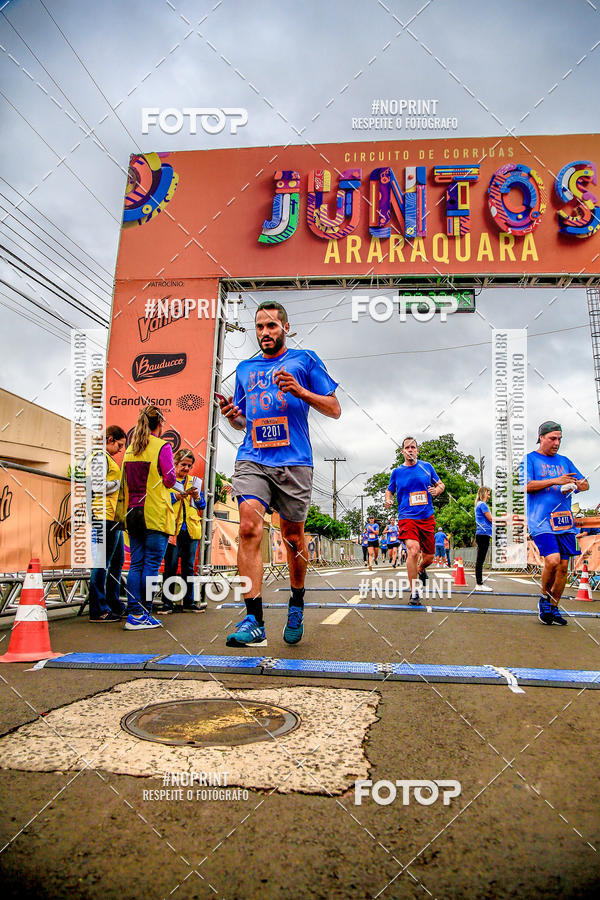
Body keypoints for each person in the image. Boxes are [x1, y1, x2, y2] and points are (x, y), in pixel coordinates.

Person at [219, 300, 340, 647]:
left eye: (271, 326)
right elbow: (245, 421)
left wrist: (301, 391)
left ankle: (297, 602)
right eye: (259, 326)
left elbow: (334, 409)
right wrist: (234, 416)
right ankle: (254, 619)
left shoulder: (305, 360)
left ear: (285, 328)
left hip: (294, 462)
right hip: (253, 458)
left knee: (293, 538)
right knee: (248, 527)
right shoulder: (245, 369)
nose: (265, 332)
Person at [116, 405, 176, 630]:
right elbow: (170, 479)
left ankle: (134, 613)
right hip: (155, 514)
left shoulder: (130, 449)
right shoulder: (162, 446)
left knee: (136, 564)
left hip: (133, 513)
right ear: (159, 424)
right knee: (151, 565)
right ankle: (144, 613)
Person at [526, 421, 589, 625]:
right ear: (541, 438)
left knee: (563, 567)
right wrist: (555, 480)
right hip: (541, 521)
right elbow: (526, 486)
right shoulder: (530, 459)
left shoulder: (565, 461)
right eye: (552, 438)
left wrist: (576, 484)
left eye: (559, 439)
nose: (557, 443)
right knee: (552, 561)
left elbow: (585, 484)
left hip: (564, 522)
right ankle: (544, 598)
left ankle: (554, 607)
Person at [385, 436, 445, 605]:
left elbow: (441, 484)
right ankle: (414, 592)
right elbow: (389, 491)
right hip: (407, 517)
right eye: (407, 447)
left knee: (430, 557)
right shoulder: (397, 472)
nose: (410, 450)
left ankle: (420, 568)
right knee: (413, 550)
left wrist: (437, 490)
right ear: (402, 451)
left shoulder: (427, 467)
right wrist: (388, 499)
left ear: (417, 450)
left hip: (426, 517)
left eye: (413, 447)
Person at [157, 449, 206, 614]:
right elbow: (160, 502)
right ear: (175, 464)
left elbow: (202, 505)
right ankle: (167, 603)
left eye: (189, 466)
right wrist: (176, 497)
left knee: (188, 568)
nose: (186, 468)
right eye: (183, 464)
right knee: (170, 567)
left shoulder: (194, 482)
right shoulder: (167, 481)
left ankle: (188, 602)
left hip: (191, 530)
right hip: (173, 530)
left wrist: (197, 496)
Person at [85, 425, 127, 622]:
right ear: (110, 439)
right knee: (103, 563)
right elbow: (97, 485)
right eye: (119, 445)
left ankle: (112, 603)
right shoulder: (99, 457)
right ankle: (98, 609)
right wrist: (118, 484)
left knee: (117, 561)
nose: (120, 450)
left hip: (112, 516)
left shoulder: (105, 458)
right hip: (103, 515)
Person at [474, 487, 504, 592]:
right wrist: (503, 519)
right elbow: (491, 519)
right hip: (483, 534)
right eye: (488, 494)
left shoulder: (479, 504)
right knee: (480, 560)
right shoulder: (482, 504)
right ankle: (479, 584)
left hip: (482, 534)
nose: (489, 496)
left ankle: (479, 583)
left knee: (480, 560)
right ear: (483, 494)